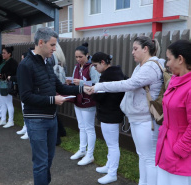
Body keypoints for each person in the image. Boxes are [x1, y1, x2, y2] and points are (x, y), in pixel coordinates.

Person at [87, 36, 163, 185]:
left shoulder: (150, 67)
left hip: (147, 121)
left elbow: (129, 84)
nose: (132, 52)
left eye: (135, 49)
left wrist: (99, 87)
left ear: (145, 49)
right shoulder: (142, 66)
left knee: (148, 158)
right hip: (139, 118)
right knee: (143, 155)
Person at [17, 27, 88, 185]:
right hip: (36, 121)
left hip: (51, 118)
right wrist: (52, 100)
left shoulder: (47, 62)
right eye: (52, 45)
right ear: (41, 43)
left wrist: (83, 89)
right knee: (41, 163)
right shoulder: (25, 65)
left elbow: (60, 87)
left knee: (48, 160)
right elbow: (26, 97)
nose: (55, 49)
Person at [155, 40, 191, 185]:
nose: (167, 64)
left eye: (169, 59)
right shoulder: (175, 81)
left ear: (180, 59)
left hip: (180, 155)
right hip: (166, 150)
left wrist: (179, 148)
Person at [91, 52, 125, 184]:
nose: (94, 68)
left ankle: (112, 173)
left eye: (95, 65)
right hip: (110, 113)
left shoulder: (109, 75)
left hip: (110, 113)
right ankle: (109, 166)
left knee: (113, 145)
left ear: (103, 63)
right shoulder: (115, 73)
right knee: (111, 144)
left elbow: (101, 95)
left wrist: (92, 92)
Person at [66, 43, 100, 166]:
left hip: (88, 102)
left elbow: (97, 84)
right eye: (76, 57)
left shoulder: (91, 67)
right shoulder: (76, 67)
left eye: (80, 56)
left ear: (87, 55)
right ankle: (82, 150)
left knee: (89, 128)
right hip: (78, 101)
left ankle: (89, 155)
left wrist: (82, 82)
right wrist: (70, 81)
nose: (78, 59)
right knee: (81, 127)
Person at [0, 46, 18, 128]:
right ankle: (3, 119)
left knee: (8, 103)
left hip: (8, 85)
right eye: (2, 53)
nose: (2, 54)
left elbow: (12, 73)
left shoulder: (13, 63)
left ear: (9, 54)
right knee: (3, 103)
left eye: (4, 53)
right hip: (1, 84)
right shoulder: (2, 61)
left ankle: (11, 121)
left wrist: (0, 76)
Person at [16, 52, 29, 140]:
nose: (22, 60)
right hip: (23, 92)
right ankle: (25, 127)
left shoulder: (28, 68)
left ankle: (28, 131)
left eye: (23, 58)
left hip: (27, 93)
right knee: (24, 112)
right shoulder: (23, 67)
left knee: (27, 113)